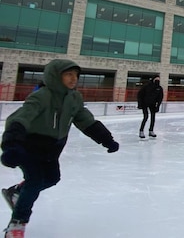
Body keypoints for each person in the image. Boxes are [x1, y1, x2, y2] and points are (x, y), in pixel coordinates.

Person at [1, 59, 119, 238]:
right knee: (35, 180)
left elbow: (86, 121)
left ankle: (16, 192)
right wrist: (11, 145)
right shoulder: (42, 95)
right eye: (68, 74)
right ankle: (17, 224)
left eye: (76, 75)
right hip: (29, 146)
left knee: (52, 178)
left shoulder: (75, 98)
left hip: (51, 150)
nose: (73, 79)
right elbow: (19, 118)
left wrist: (107, 140)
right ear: (56, 76)